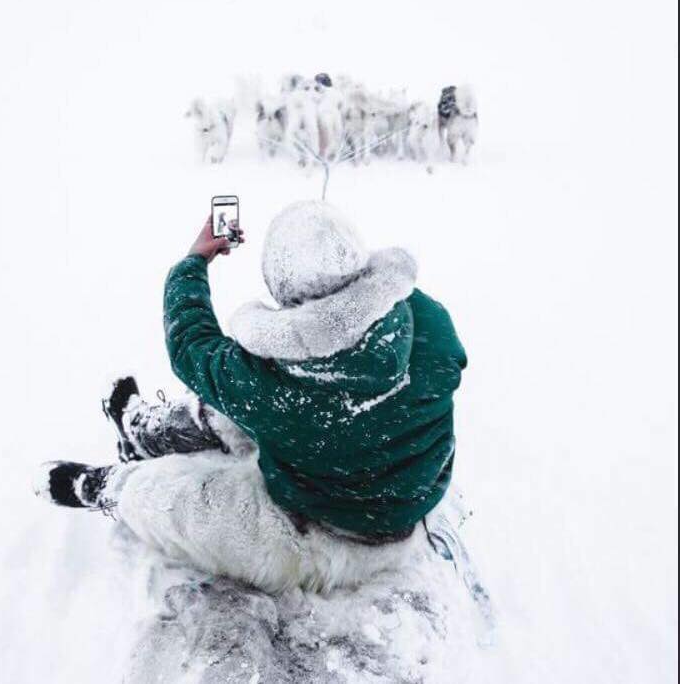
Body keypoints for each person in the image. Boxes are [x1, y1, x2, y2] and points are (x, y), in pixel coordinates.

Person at [34, 201, 467, 593]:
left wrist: (194, 260)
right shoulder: (431, 320)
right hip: (404, 501)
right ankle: (145, 431)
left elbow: (191, 348)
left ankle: (108, 487)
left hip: (322, 539)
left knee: (181, 502)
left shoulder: (272, 381)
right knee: (238, 403)